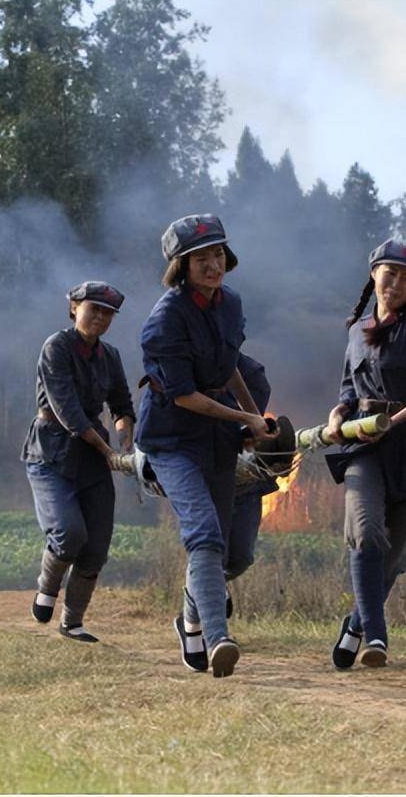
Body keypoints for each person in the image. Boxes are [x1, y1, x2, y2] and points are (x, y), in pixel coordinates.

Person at [135, 214, 273, 678]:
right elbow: (184, 395)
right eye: (200, 259)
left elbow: (230, 363)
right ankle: (219, 639)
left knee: (235, 553)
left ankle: (191, 619)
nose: (213, 265)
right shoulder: (164, 322)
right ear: (181, 266)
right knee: (204, 534)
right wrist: (243, 416)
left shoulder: (230, 303)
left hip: (216, 438)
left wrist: (255, 420)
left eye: (218, 255)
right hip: (171, 440)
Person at [324, 240, 406, 669]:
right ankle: (377, 638)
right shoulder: (357, 330)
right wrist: (338, 412)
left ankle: (355, 626)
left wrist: (394, 422)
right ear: (373, 274)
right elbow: (349, 386)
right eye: (389, 273)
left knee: (393, 557)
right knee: (365, 534)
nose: (395, 284)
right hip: (364, 449)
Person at [22, 281, 134, 643]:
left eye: (108, 313)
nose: (100, 317)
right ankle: (47, 588)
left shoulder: (111, 356)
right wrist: (109, 452)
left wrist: (126, 442)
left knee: (97, 544)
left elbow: (121, 405)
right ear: (73, 307)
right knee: (69, 533)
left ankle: (73, 622)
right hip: (51, 450)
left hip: (93, 456)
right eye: (94, 309)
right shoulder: (57, 347)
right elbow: (68, 412)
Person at [220, 353, 277, 616]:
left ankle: (211, 584)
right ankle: (205, 628)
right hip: (205, 476)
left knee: (241, 557)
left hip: (246, 476)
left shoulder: (253, 373)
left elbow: (254, 422)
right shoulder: (190, 360)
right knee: (208, 549)